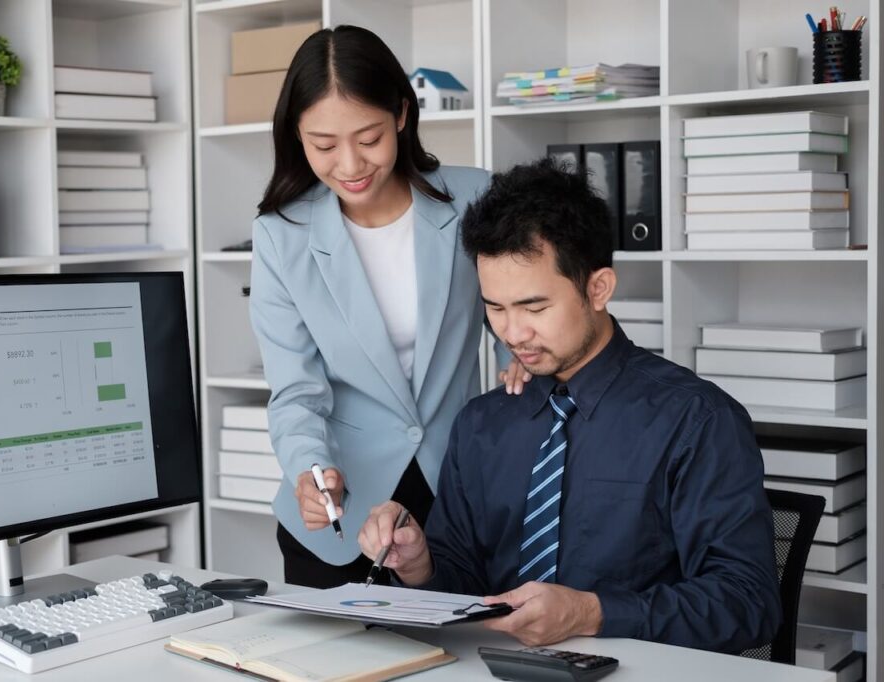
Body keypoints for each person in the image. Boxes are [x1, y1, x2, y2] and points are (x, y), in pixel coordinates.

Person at [357, 157, 782, 652]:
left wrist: (590, 613)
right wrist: (419, 565)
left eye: (535, 307)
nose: (513, 333)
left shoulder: (696, 420)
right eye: (495, 308)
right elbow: (463, 587)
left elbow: (748, 603)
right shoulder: (480, 425)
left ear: (598, 288)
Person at [249, 25, 519, 588]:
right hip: (341, 512)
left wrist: (515, 358)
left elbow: (519, 305)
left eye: (368, 138)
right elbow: (295, 388)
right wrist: (310, 469)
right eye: (324, 146)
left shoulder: (474, 197)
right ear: (297, 136)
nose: (350, 165)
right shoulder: (281, 234)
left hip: (456, 489)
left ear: (400, 114)